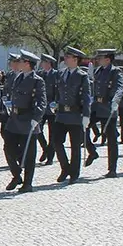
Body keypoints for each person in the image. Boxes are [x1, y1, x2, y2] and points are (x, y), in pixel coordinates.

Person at [3, 50, 46, 192]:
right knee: (8, 148)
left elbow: (41, 102)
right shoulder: (18, 77)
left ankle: (27, 183)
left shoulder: (37, 81)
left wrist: (36, 118)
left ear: (27, 63)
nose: (18, 63)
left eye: (21, 61)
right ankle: (16, 175)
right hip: (15, 118)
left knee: (29, 154)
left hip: (28, 119)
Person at [51, 47, 92, 184]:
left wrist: (86, 115)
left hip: (75, 114)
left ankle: (74, 173)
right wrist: (55, 102)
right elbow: (58, 91)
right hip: (62, 113)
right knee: (56, 141)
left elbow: (86, 96)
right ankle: (65, 168)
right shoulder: (61, 73)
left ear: (75, 59)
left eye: (68, 57)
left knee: (75, 146)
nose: (65, 59)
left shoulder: (82, 76)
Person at [84, 49, 123, 178]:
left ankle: (112, 168)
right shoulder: (98, 71)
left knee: (111, 138)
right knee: (83, 127)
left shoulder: (115, 71)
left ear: (107, 59)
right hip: (96, 106)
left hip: (108, 107)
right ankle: (92, 151)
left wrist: (116, 101)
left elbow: (120, 88)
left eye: (101, 58)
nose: (98, 60)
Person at [36, 54, 58, 165]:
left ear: (49, 63)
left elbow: (58, 90)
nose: (42, 64)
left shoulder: (56, 74)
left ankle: (50, 157)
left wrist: (56, 103)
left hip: (52, 107)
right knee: (38, 130)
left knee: (52, 133)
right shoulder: (39, 74)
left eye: (44, 62)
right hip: (42, 107)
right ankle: (45, 149)